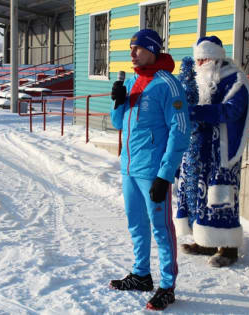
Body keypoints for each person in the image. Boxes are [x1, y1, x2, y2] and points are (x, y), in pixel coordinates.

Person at [109, 29, 190, 311]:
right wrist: (118, 101)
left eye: (138, 48)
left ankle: (167, 286)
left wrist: (165, 174)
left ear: (153, 50)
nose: (132, 53)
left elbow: (180, 130)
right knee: (136, 225)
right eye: (131, 48)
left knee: (161, 228)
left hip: (153, 171)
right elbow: (119, 123)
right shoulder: (132, 81)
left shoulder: (168, 84)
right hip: (129, 167)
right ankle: (141, 274)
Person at [175, 36, 249, 267]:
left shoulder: (235, 79)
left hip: (222, 150)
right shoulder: (197, 80)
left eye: (204, 59)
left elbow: (233, 110)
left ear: (216, 58)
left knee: (221, 197)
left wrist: (198, 113)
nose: (200, 64)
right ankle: (205, 240)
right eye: (198, 60)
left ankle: (228, 248)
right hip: (198, 148)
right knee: (199, 195)